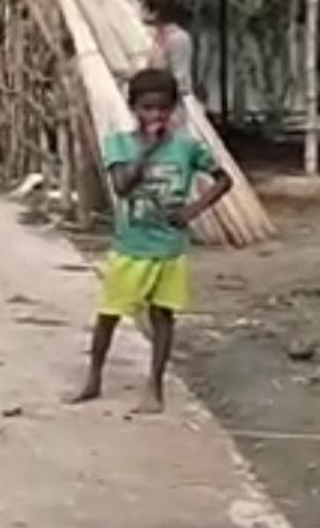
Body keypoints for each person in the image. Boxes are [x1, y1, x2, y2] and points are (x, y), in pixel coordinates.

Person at [69, 69, 234, 414]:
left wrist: (193, 210)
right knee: (109, 314)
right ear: (134, 108)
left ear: (173, 108)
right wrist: (149, 149)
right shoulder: (119, 144)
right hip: (131, 246)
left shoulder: (187, 147)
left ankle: (154, 386)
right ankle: (93, 378)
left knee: (162, 316)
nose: (155, 115)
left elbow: (223, 180)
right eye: (147, 108)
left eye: (162, 108)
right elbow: (122, 187)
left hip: (169, 249)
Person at [142, 0, 196, 100]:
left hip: (174, 98)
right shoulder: (156, 36)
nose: (141, 11)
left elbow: (179, 77)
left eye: (145, 8)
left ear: (156, 12)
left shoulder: (179, 38)